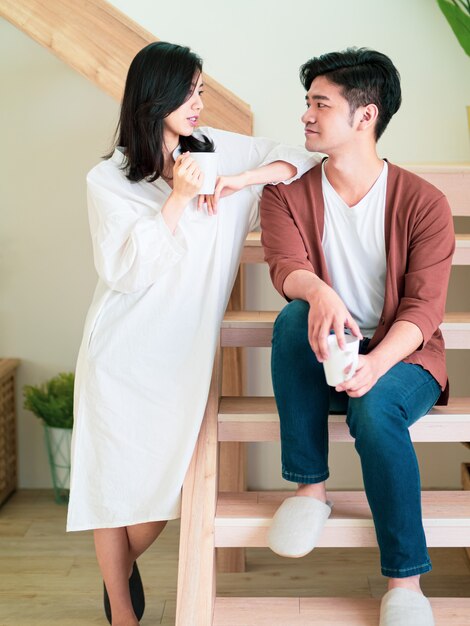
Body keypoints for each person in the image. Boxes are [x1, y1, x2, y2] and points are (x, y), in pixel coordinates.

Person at [66, 41, 320, 626]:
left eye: (202, 89)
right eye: (189, 90)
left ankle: (117, 574)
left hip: (180, 359)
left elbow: (302, 161)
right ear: (154, 95)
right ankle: (123, 612)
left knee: (159, 494)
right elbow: (126, 272)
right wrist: (178, 199)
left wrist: (239, 180)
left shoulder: (219, 152)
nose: (198, 103)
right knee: (112, 485)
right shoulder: (107, 181)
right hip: (120, 354)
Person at [260, 48, 454, 626]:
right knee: (294, 317)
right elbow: (283, 265)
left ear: (365, 116)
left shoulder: (423, 202)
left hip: (406, 356)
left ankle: (405, 582)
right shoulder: (286, 193)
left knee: (373, 411)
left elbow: (424, 309)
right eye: (307, 103)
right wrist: (320, 293)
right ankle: (310, 492)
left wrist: (377, 363)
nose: (306, 116)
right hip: (324, 348)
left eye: (321, 104)